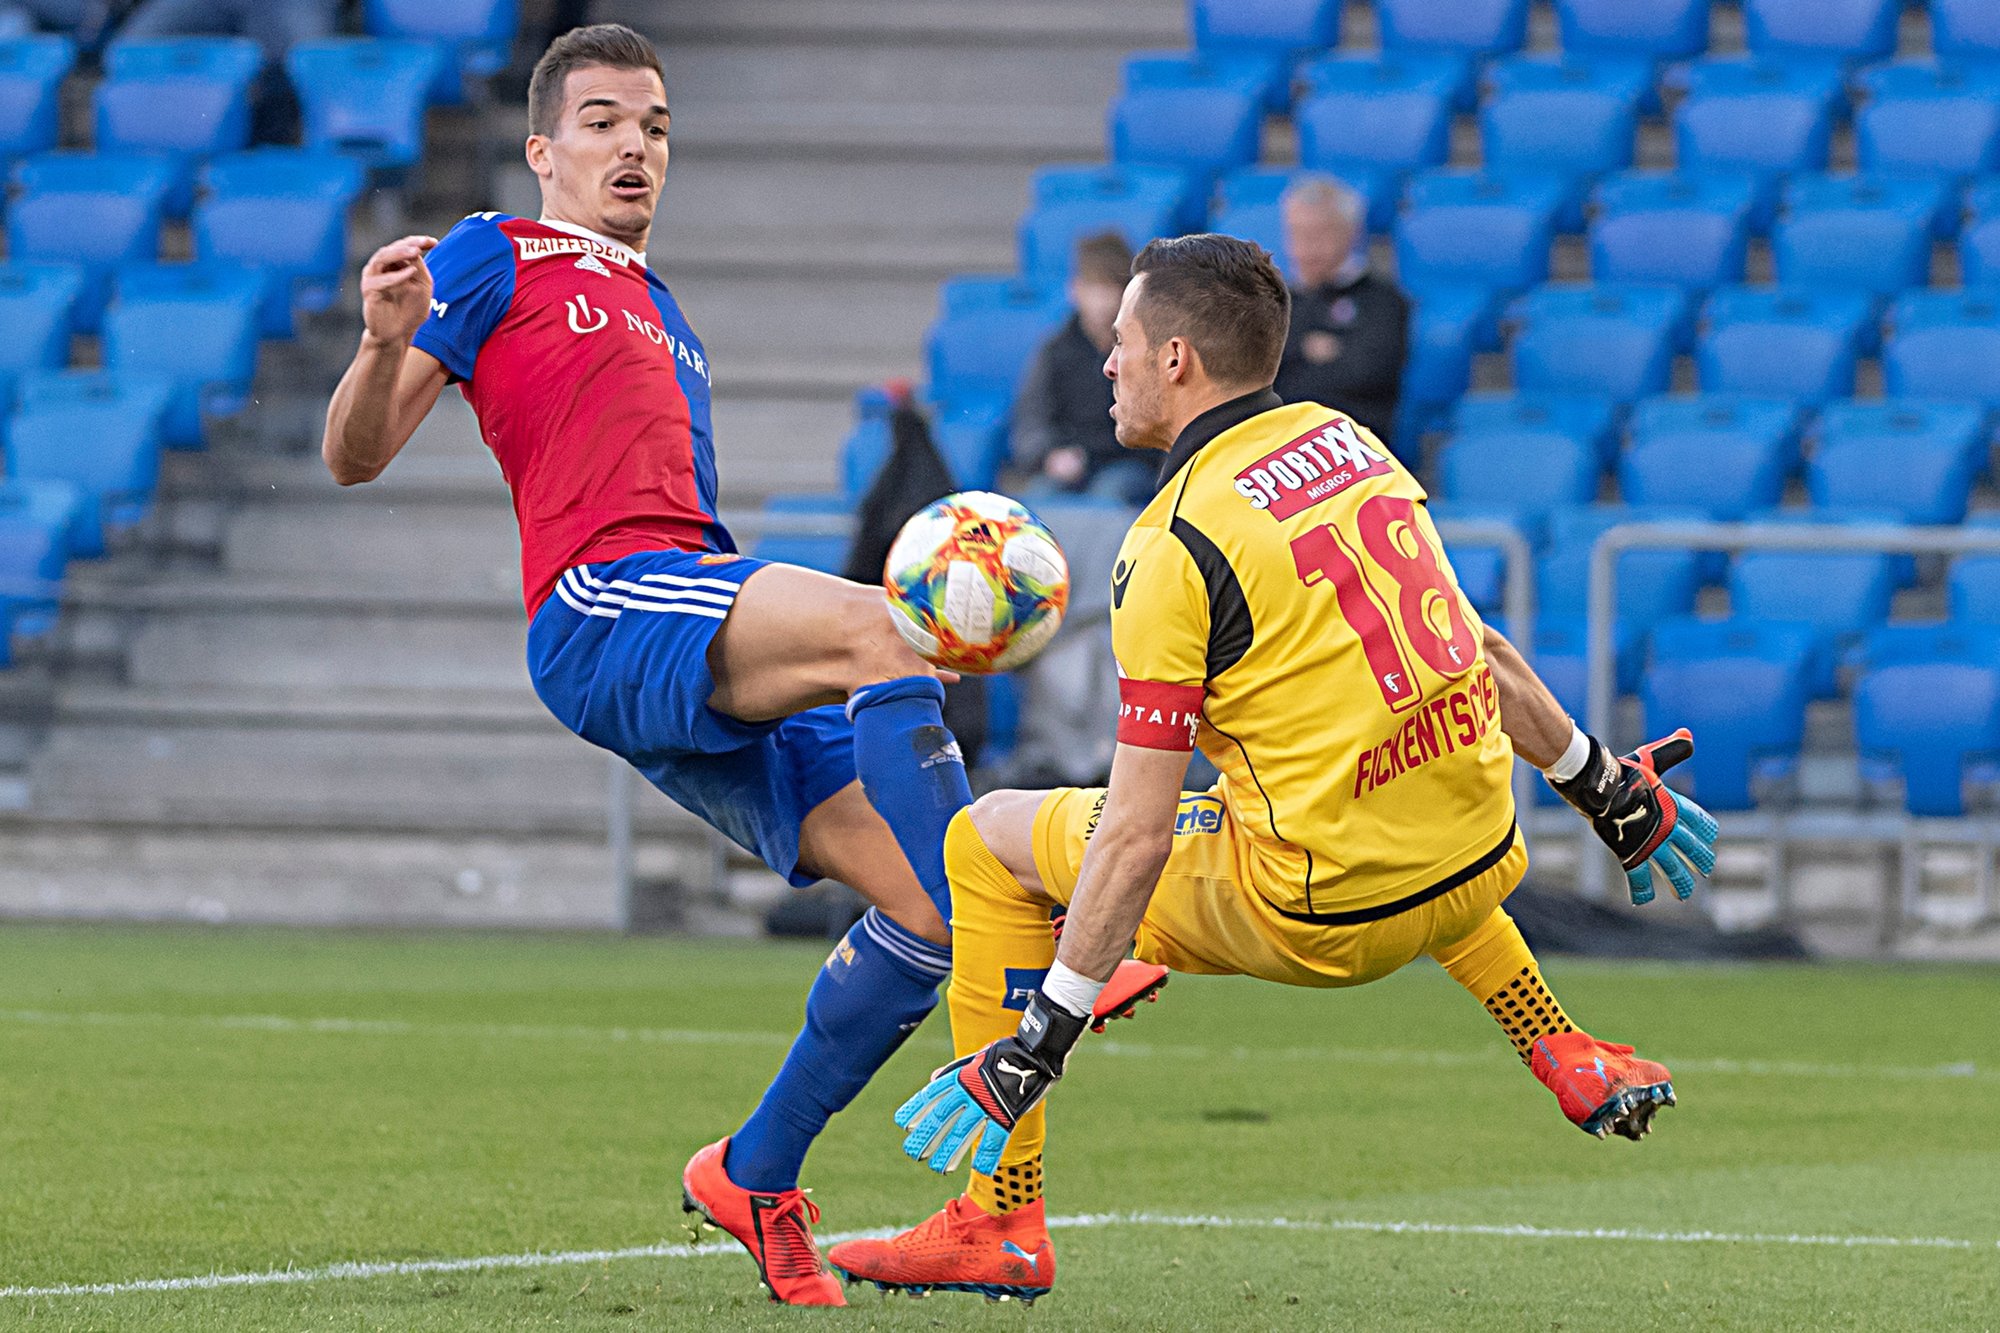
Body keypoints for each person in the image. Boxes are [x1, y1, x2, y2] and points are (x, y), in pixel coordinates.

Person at [319, 24, 1164, 1308]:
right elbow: (354, 457)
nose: (635, 147)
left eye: (654, 126)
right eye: (603, 121)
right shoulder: (497, 251)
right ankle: (1036, 963)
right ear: (543, 148)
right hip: (607, 603)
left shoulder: (664, 307)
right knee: (891, 626)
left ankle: (754, 1170)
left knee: (930, 919)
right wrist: (382, 341)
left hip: (682, 615)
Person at [826, 235, 1718, 1303]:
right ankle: (1556, 1044)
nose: (1103, 363)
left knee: (986, 840)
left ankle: (998, 1217)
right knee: (1371, 788)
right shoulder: (1349, 444)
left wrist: (1037, 1040)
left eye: (1119, 343)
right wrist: (1602, 788)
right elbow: (1472, 650)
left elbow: (1137, 830)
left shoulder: (1172, 545)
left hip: (1319, 910)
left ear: (1173, 361)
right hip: (1480, 861)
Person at [1011, 231, 1154, 507]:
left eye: (1110, 289)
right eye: (1094, 288)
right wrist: (1049, 455)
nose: (1102, 302)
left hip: (1129, 462)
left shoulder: (1145, 349)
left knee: (1108, 496)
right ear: (1075, 290)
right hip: (1066, 463)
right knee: (1037, 502)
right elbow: (1031, 420)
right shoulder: (1055, 351)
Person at [1272, 174, 1410, 451]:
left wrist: (1291, 353)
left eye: (1318, 233)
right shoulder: (1275, 301)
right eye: (1297, 233)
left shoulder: (1382, 301)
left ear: (1351, 232)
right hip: (1276, 446)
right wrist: (1308, 348)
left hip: (1354, 452)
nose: (1305, 247)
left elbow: (1364, 376)